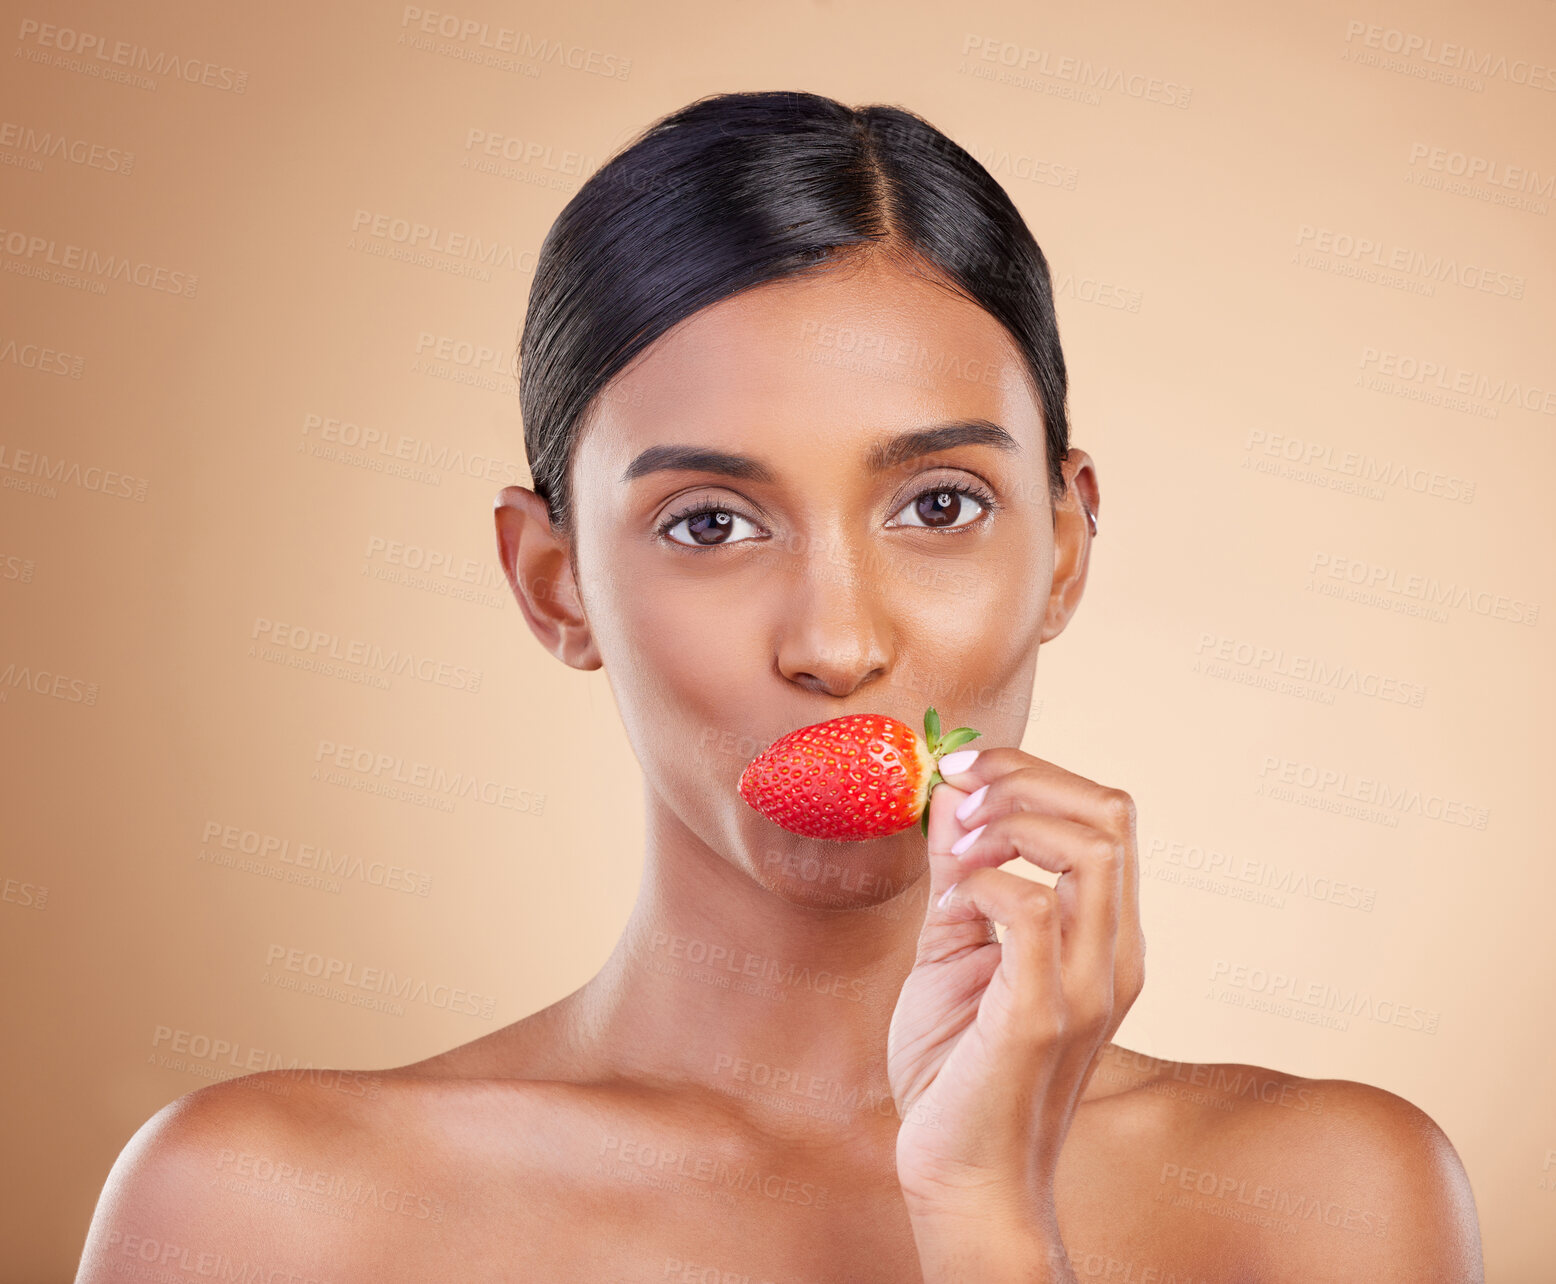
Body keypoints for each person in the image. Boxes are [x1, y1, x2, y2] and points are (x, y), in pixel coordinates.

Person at [74, 90, 1483, 1283]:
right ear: (554, 585)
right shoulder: (262, 1214)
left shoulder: (1331, 1203)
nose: (836, 643)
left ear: (1067, 548)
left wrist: (986, 1212)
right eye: (709, 523)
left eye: (938, 505)